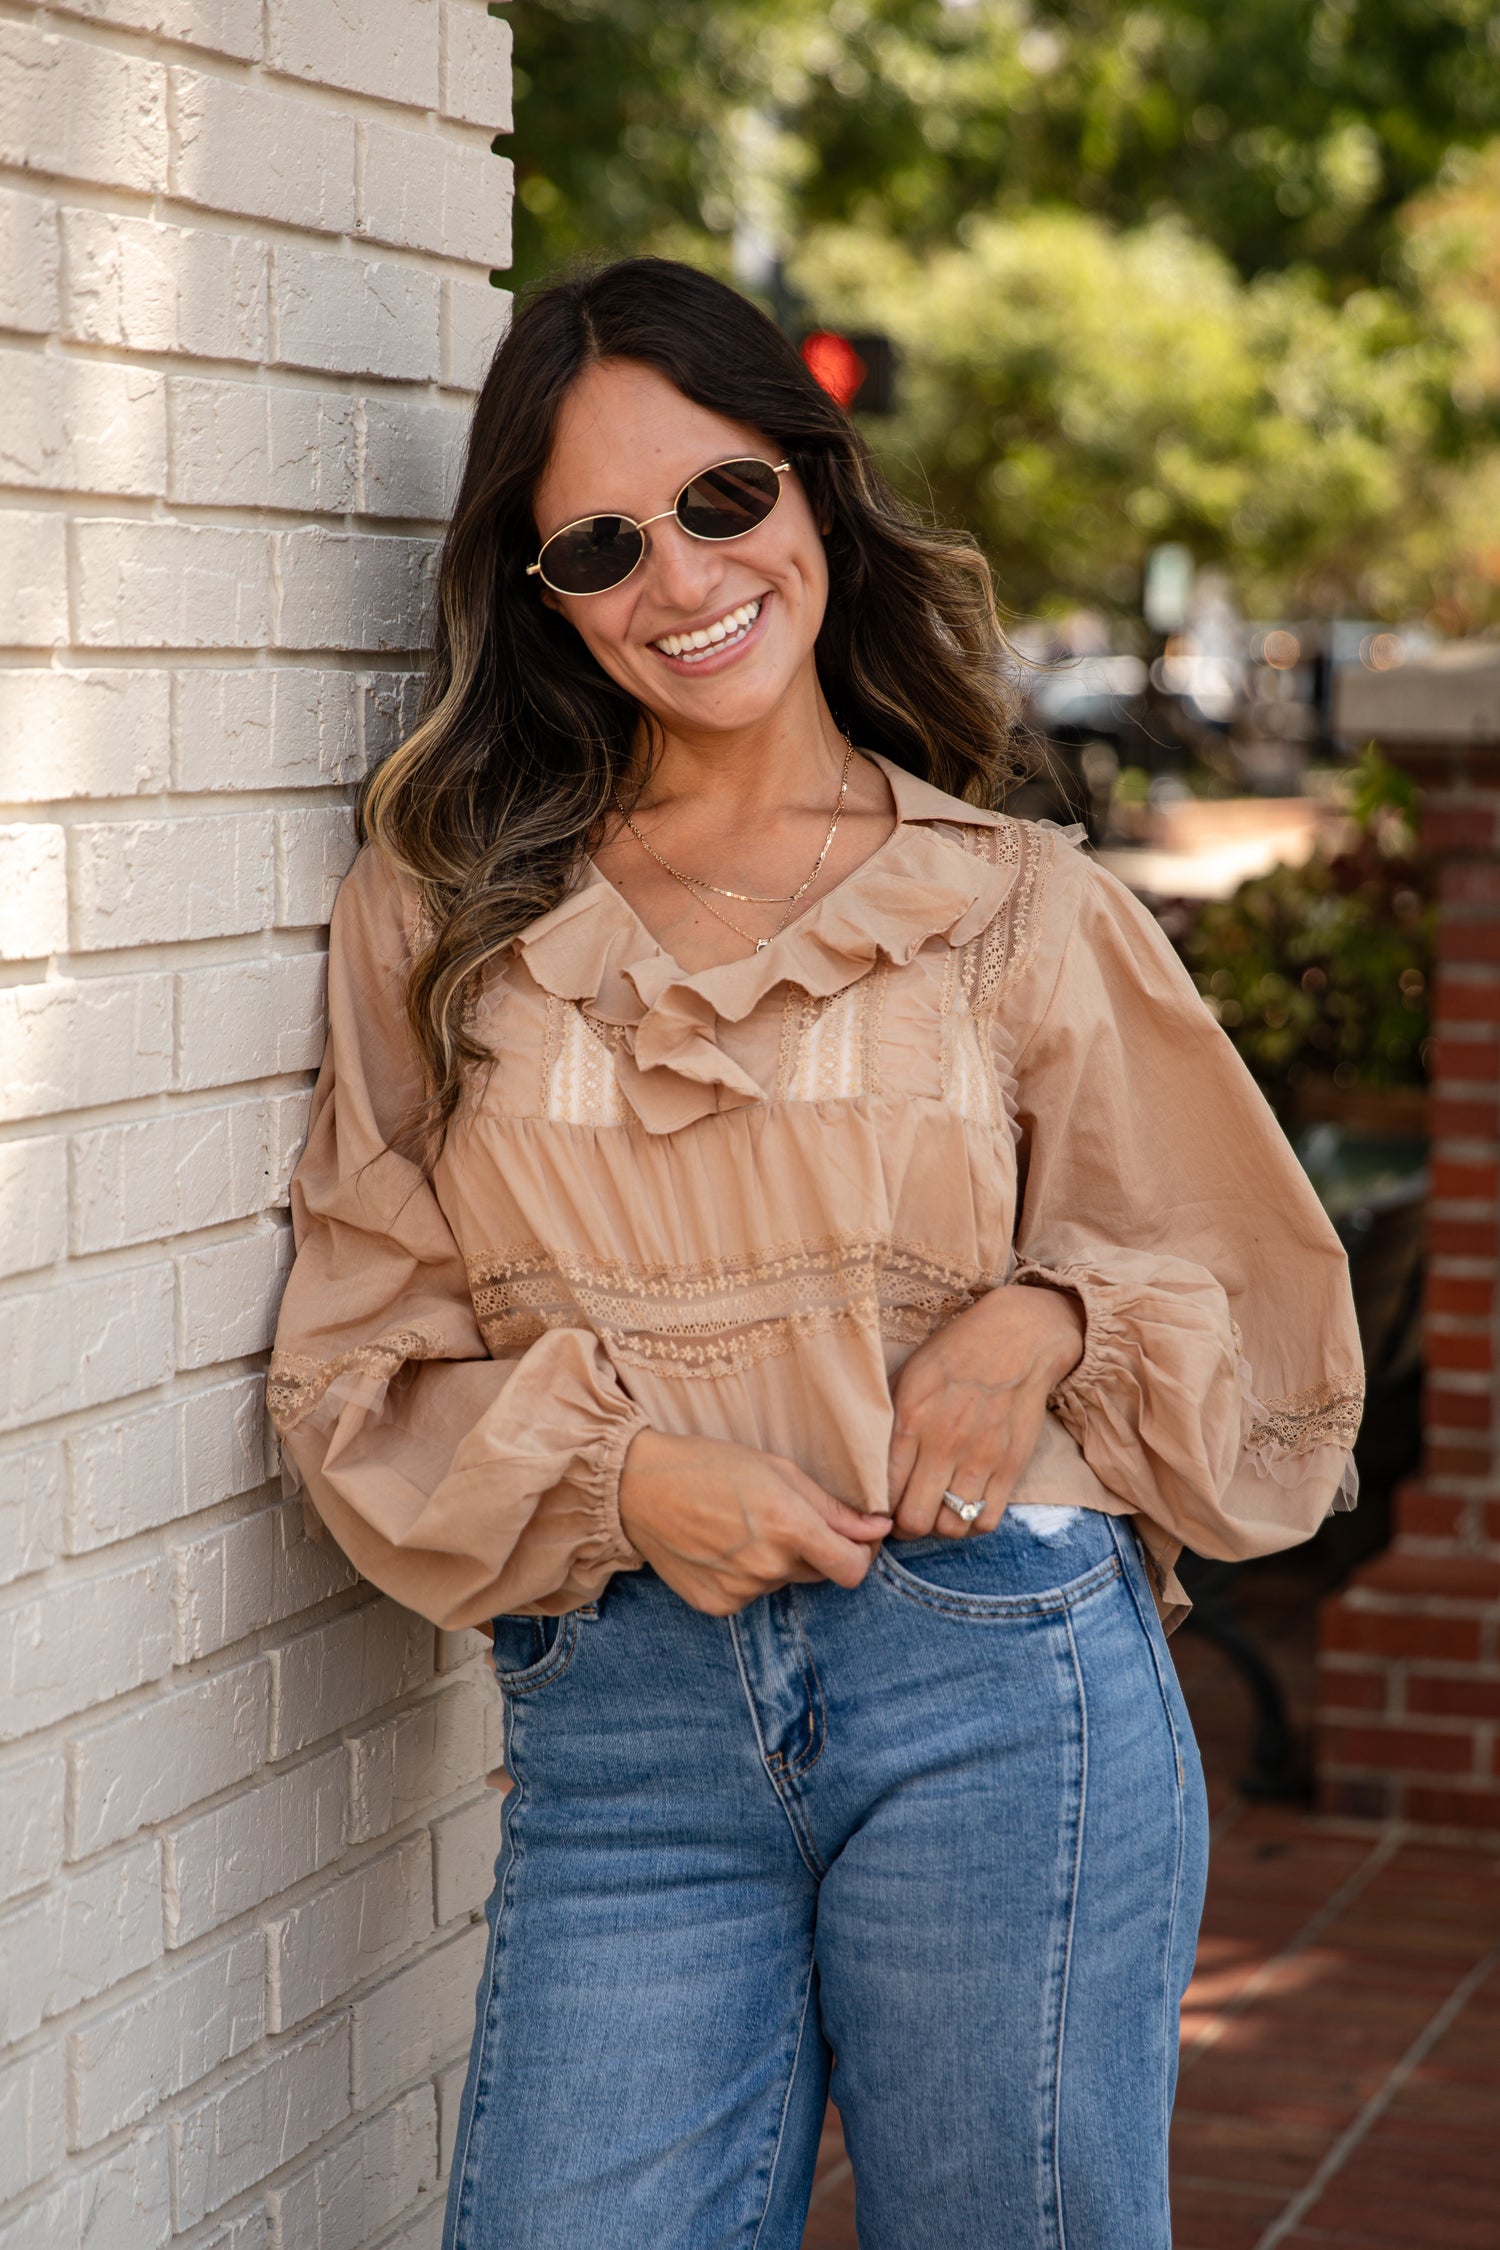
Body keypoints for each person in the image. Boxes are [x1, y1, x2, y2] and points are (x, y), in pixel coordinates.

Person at [268, 258, 1363, 2250]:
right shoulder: (439, 921)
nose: (680, 578)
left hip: (1000, 1684)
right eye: (599, 544)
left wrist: (1044, 1318)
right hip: (620, 1720)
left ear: (815, 492)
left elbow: (1264, 1312)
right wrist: (623, 1480)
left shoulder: (1012, 903)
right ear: (544, 599)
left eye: (721, 499)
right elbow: (356, 1360)